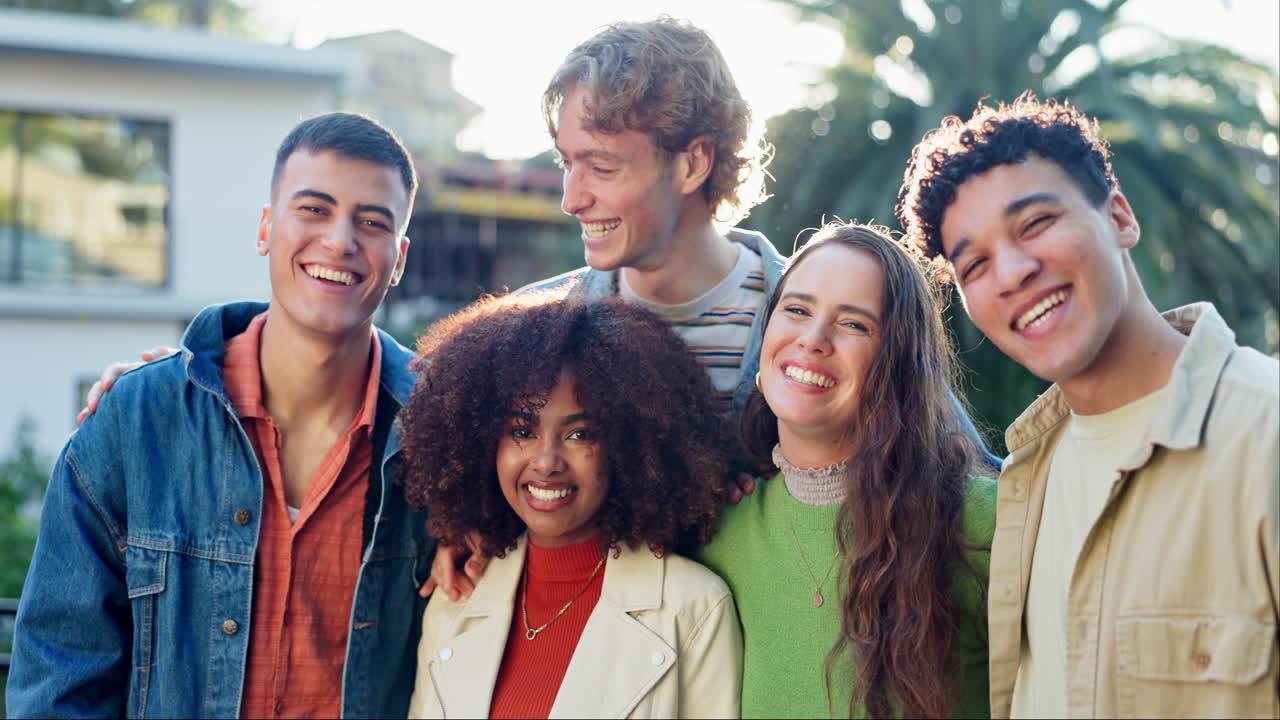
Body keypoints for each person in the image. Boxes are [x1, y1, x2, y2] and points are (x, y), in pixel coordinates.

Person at [6, 112, 435, 718]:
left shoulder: (441, 439)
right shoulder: (136, 422)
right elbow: (58, 678)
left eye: (372, 221)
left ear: (398, 259)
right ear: (266, 228)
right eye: (313, 209)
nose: (341, 240)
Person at [897, 93, 1280, 718]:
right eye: (975, 264)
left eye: (1035, 223)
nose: (1013, 272)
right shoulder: (1024, 480)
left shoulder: (1265, 435)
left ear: (1121, 218)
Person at [697, 222, 996, 719]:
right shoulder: (718, 535)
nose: (812, 339)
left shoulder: (985, 522)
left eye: (855, 324)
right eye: (795, 310)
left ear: (898, 360)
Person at [397, 292, 741, 718]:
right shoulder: (456, 601)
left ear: (629, 444)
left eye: (581, 435)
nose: (546, 462)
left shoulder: (694, 609)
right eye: (522, 431)